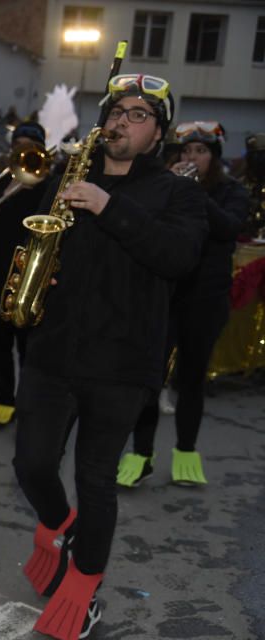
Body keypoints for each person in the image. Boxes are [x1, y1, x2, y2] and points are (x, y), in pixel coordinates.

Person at [12, 73, 206, 640]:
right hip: (53, 352)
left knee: (95, 479)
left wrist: (108, 205)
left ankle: (84, 589)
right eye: (117, 111)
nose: (122, 122)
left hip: (121, 364)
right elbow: (44, 245)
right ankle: (59, 527)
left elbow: (177, 257)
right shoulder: (74, 176)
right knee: (31, 464)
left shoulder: (177, 193)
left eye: (139, 115)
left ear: (157, 135)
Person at [119, 121, 250, 487]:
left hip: (206, 300)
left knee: (190, 379)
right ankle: (141, 453)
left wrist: (194, 193)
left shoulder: (229, 192)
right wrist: (168, 186)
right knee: (151, 377)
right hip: (165, 295)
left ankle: (186, 450)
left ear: (215, 157)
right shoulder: (166, 186)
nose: (192, 157)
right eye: (186, 151)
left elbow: (228, 227)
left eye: (201, 152)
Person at [0, 121, 53, 427]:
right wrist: (7, 191)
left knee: (29, 346)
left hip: (32, 278)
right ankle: (4, 400)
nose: (23, 150)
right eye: (18, 144)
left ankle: (29, 402)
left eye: (30, 145)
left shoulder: (49, 187)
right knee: (0, 343)